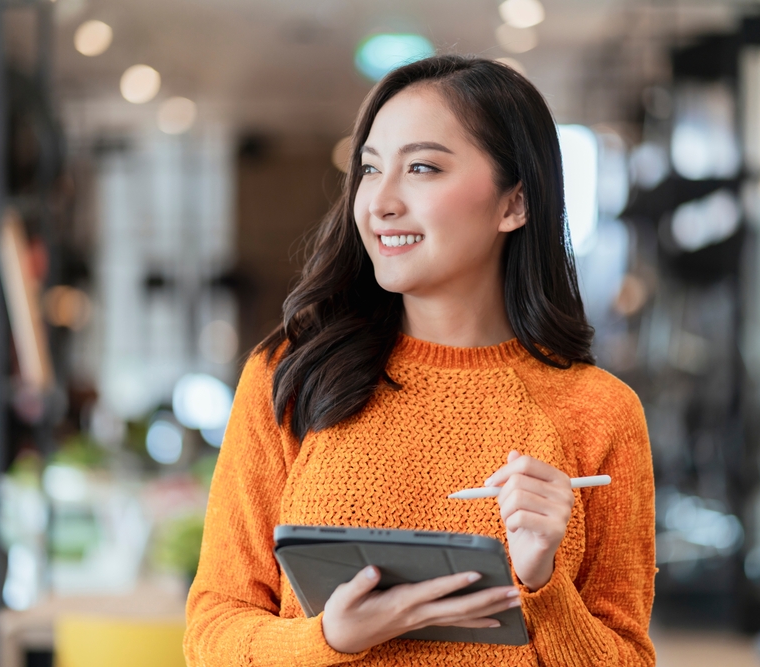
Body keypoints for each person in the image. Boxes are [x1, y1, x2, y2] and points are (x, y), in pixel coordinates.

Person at [184, 55, 655, 666]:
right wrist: (328, 639)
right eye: (370, 169)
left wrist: (543, 585)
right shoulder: (292, 377)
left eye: (423, 168)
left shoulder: (600, 413)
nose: (379, 201)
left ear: (515, 203)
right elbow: (210, 634)